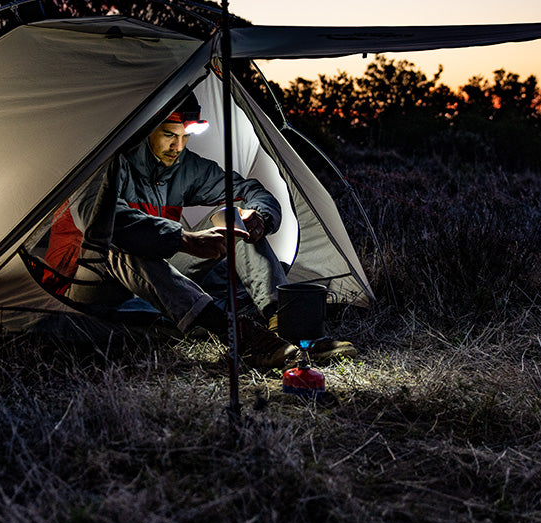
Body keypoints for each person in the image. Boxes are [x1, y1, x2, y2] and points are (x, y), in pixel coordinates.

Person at [63, 93, 355, 368]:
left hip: (159, 279)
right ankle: (236, 333)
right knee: (119, 243)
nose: (178, 147)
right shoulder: (104, 161)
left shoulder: (182, 167)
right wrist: (184, 239)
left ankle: (285, 325)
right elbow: (99, 221)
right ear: (144, 129)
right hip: (88, 282)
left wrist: (259, 218)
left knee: (234, 219)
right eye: (169, 135)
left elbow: (250, 190)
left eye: (185, 136)